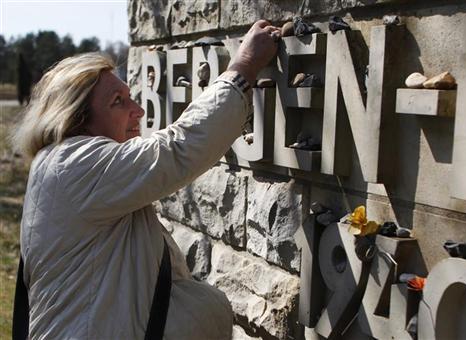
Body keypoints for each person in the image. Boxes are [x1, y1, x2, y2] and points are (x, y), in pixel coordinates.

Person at [11, 20, 281, 339]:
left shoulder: (64, 165)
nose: (137, 110)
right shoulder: (75, 165)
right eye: (118, 102)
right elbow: (178, 148)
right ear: (75, 119)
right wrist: (243, 67)